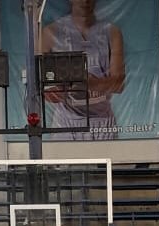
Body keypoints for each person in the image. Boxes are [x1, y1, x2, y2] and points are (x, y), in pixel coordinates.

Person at [40, 0, 125, 141]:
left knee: (108, 156)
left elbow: (119, 84)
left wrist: (87, 83)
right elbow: (42, 85)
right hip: (66, 119)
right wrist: (59, 89)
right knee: (64, 156)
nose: (85, 1)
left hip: (102, 120)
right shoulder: (50, 33)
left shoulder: (112, 32)